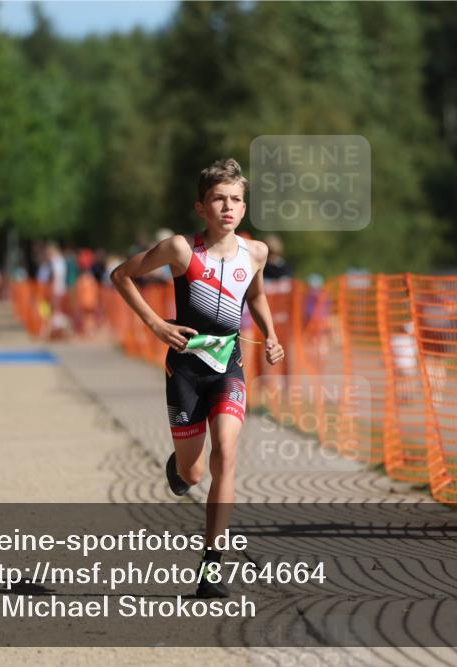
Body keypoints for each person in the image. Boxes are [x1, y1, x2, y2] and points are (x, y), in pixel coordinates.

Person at [111, 158, 284, 598]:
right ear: (201, 207)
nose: (228, 207)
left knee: (227, 452)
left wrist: (271, 335)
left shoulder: (257, 252)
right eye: (219, 199)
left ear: (244, 209)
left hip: (229, 366)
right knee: (194, 470)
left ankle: (211, 565)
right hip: (186, 368)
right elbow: (121, 276)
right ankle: (182, 470)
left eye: (236, 200)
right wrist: (155, 325)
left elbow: (257, 293)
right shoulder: (180, 250)